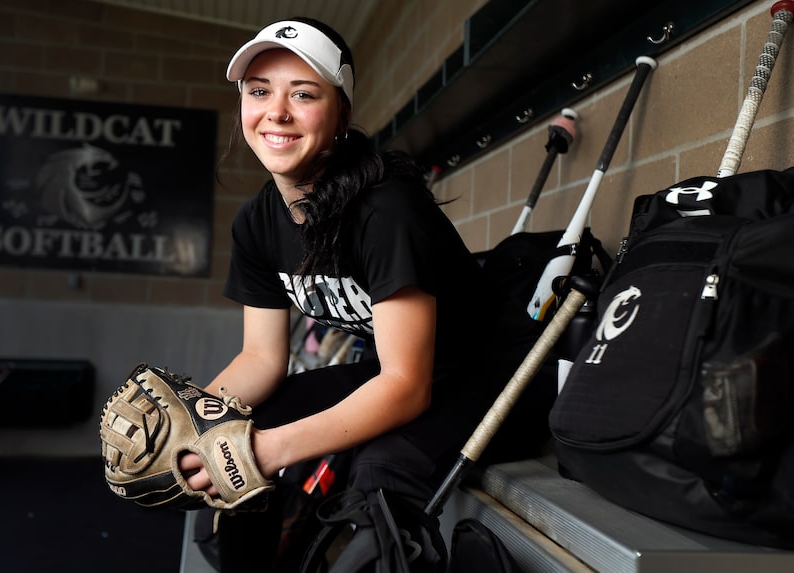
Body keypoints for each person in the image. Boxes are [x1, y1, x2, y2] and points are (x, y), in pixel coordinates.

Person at [180, 17, 558, 572]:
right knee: (243, 424)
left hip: (497, 379)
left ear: (341, 115)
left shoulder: (385, 208)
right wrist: (192, 421)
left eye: (303, 94)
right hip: (409, 373)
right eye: (259, 91)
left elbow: (404, 388)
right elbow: (261, 359)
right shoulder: (257, 222)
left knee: (378, 474)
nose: (276, 112)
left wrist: (267, 452)